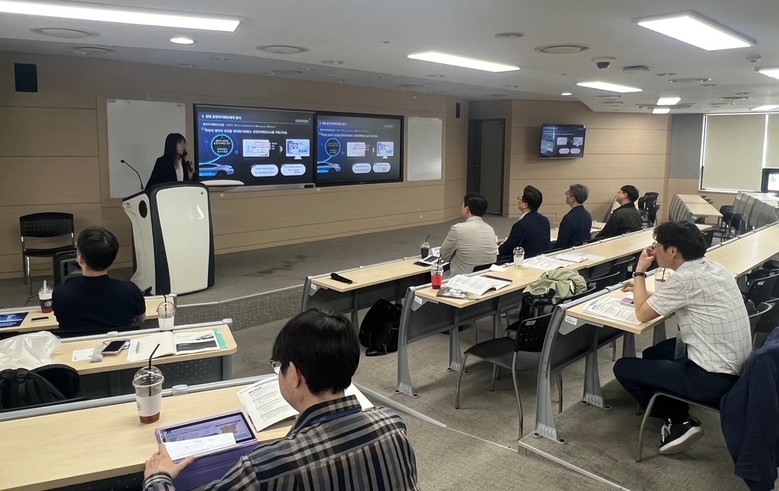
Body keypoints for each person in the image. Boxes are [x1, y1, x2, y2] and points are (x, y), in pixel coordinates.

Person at [142, 309, 420, 491]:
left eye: (279, 366)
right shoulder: (393, 425)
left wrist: (157, 477)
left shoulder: (265, 468)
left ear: (295, 375)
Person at [613, 221, 751, 456]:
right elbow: (683, 298)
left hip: (710, 378)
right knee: (652, 354)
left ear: (672, 251)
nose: (654, 249)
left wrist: (639, 272)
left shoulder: (685, 279)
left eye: (657, 245)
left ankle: (679, 421)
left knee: (623, 367)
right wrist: (643, 292)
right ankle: (672, 402)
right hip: (737, 369)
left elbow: (642, 314)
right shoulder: (715, 268)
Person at [52, 227, 145, 333]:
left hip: (75, 343)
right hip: (119, 342)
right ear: (112, 258)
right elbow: (141, 319)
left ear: (80, 259)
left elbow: (60, 319)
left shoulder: (61, 293)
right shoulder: (130, 290)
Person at [439, 193, 498, 276]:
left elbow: (443, 256)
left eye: (462, 205)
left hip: (462, 279)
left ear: (466, 209)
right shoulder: (490, 229)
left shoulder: (457, 229)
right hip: (484, 277)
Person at [498, 185, 550, 260]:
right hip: (541, 260)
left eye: (519, 199)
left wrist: (501, 246)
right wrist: (508, 241)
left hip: (524, 261)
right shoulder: (545, 221)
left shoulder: (520, 225)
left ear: (525, 205)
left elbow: (506, 250)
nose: (517, 200)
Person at [553, 184, 592, 250]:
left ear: (573, 198)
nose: (566, 196)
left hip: (568, 251)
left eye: (568, 194)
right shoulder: (588, 215)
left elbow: (560, 243)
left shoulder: (568, 218)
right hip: (582, 250)